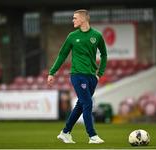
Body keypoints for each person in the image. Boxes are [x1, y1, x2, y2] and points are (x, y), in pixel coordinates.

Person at [47, 9, 107, 144]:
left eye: (75, 18)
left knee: (81, 104)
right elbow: (62, 55)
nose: (72, 20)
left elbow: (104, 54)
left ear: (83, 19)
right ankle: (92, 135)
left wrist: (99, 74)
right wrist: (52, 72)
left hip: (92, 76)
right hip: (77, 75)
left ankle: (65, 132)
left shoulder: (97, 35)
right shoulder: (72, 36)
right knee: (88, 103)